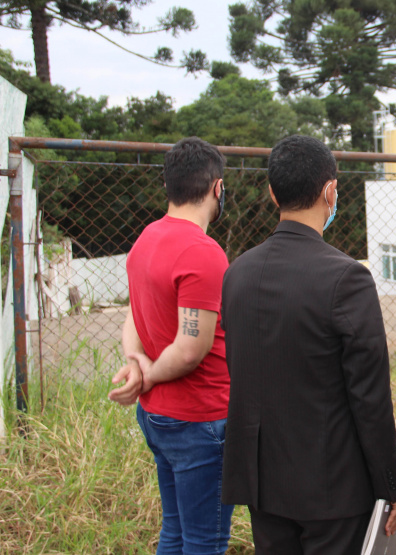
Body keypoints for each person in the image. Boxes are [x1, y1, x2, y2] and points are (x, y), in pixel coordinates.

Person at [220, 135, 396, 555]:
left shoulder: (237, 274)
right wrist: (392, 487)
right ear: (330, 192)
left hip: (262, 485)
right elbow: (370, 398)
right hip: (333, 489)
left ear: (273, 193)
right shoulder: (347, 279)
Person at [108, 136, 234, 554]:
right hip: (200, 420)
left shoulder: (146, 239)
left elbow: (133, 312)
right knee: (205, 541)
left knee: (176, 531)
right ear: (217, 187)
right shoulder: (203, 252)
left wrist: (137, 363)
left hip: (159, 416)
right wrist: (144, 374)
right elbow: (188, 350)